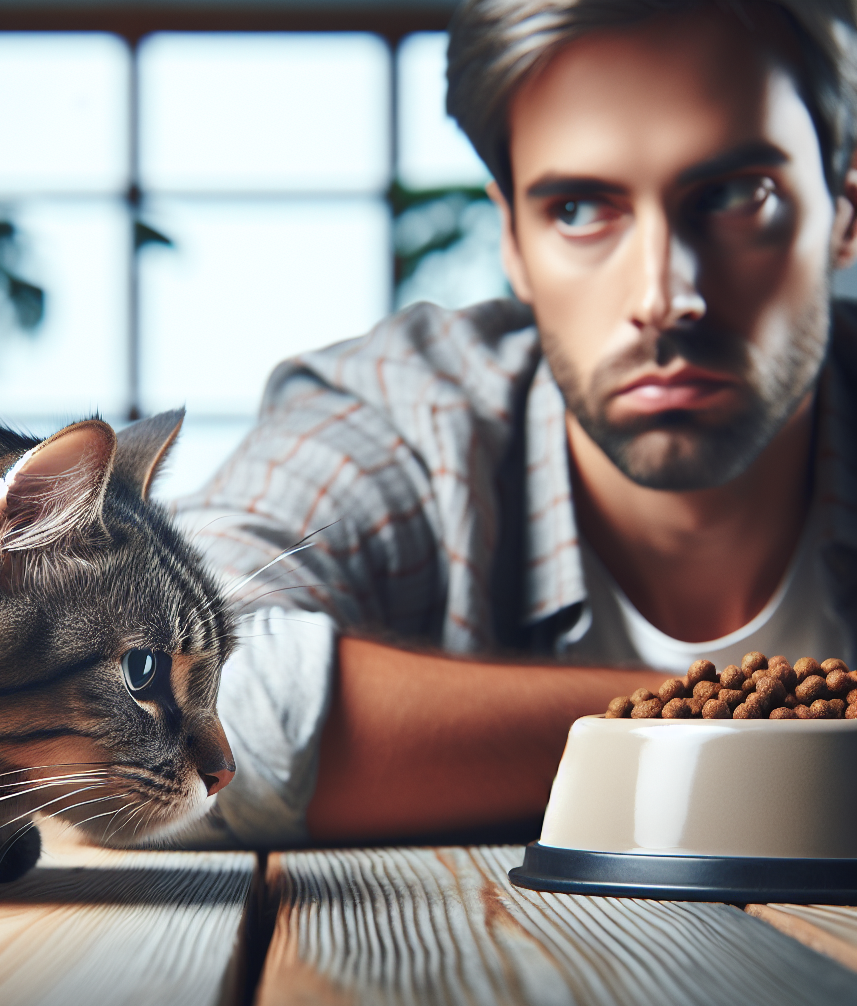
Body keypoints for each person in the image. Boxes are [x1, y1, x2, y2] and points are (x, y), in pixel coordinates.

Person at [171, 0, 857, 848]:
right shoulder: (406, 422)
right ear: (514, 241)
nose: (663, 298)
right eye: (578, 208)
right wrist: (763, 722)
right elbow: (183, 696)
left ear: (846, 210)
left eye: (733, 195)